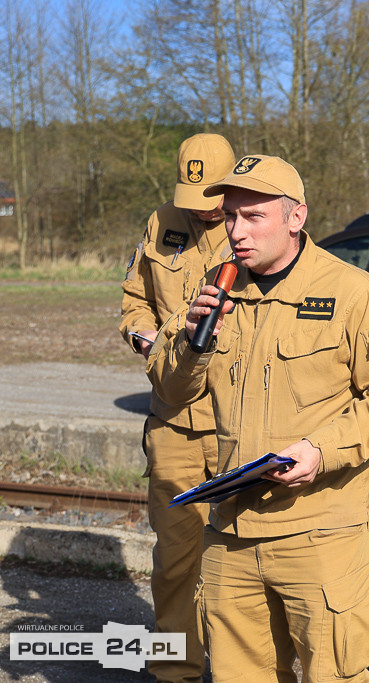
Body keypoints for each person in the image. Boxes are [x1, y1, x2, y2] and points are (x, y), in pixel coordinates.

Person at [147, 154, 369, 681]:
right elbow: (171, 386)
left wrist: (323, 449)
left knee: (332, 673)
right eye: (230, 216)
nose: (236, 231)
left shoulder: (352, 293)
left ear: (297, 218)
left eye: (254, 217)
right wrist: (192, 340)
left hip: (319, 532)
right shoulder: (216, 286)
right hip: (230, 530)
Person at [120, 132, 235, 682]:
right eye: (191, 195)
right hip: (174, 424)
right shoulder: (160, 222)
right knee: (174, 565)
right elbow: (134, 302)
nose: (202, 210)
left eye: (212, 196)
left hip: (243, 425)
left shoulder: (256, 220)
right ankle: (176, 674)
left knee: (244, 564)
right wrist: (143, 337)